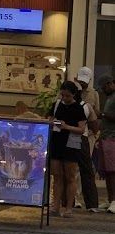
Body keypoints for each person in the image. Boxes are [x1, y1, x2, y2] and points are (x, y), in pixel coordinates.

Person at [49, 81, 87, 219]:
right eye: (62, 95)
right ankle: (56, 206)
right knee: (57, 176)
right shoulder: (57, 105)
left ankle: (69, 208)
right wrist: (53, 123)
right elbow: (50, 120)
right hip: (57, 142)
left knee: (70, 177)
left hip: (71, 144)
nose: (64, 98)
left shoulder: (78, 108)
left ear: (73, 95)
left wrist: (66, 127)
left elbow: (81, 129)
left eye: (67, 96)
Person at [73, 67, 99, 211]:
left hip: (87, 134)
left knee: (85, 168)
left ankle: (88, 201)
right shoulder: (70, 90)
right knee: (74, 168)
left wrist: (95, 134)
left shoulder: (93, 94)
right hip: (74, 134)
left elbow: (96, 114)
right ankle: (74, 197)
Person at [98, 75, 115, 213]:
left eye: (104, 88)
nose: (103, 91)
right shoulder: (109, 98)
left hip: (112, 138)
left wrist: (102, 114)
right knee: (107, 172)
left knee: (112, 171)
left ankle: (114, 201)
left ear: (110, 84)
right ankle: (110, 199)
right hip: (105, 137)